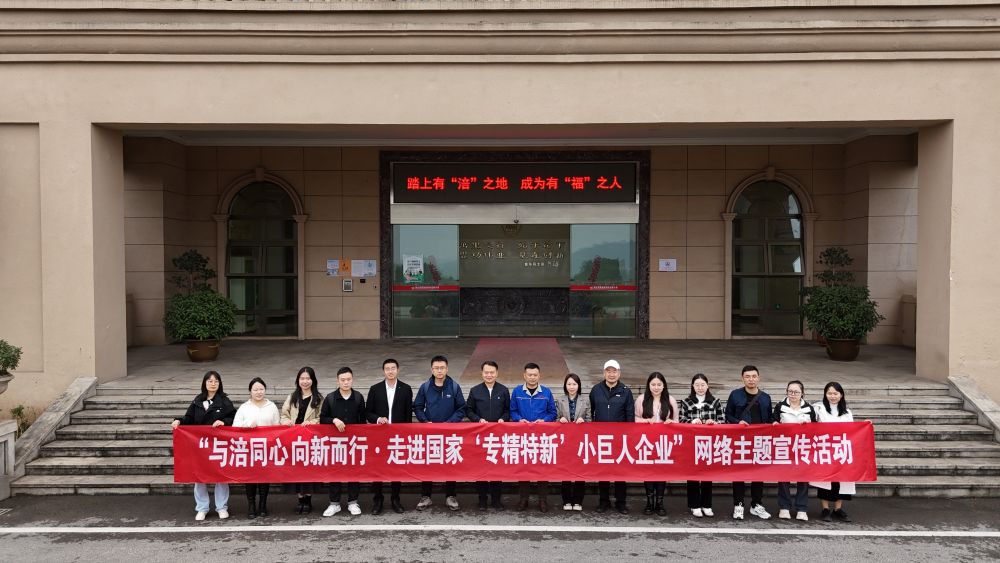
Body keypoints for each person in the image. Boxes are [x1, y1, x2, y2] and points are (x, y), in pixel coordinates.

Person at [172, 370, 236, 521]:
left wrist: (224, 422)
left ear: (220, 384)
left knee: (221, 476)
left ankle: (222, 507)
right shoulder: (197, 401)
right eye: (210, 381)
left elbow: (234, 417)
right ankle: (202, 508)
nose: (213, 384)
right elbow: (189, 418)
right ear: (204, 383)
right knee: (199, 476)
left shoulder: (225, 401)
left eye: (216, 381)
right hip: (200, 445)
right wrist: (179, 421)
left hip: (218, 444)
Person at [413, 355, 466, 511]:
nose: (439, 370)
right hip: (430, 433)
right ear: (432, 370)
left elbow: (461, 408)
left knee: (450, 463)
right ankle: (426, 496)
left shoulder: (454, 387)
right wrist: (425, 421)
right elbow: (417, 406)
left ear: (447, 369)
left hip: (449, 433)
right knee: (428, 464)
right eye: (436, 368)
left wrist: (450, 423)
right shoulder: (425, 387)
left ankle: (450, 496)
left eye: (442, 368)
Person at [724, 364, 773, 520]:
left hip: (760, 441)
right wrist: (737, 422)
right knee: (739, 473)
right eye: (747, 376)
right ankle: (738, 504)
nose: (751, 379)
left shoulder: (765, 397)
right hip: (740, 441)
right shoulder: (735, 395)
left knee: (758, 474)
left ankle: (756, 504)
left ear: (758, 378)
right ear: (742, 378)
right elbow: (728, 415)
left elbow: (769, 418)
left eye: (754, 376)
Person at [366, 358, 413, 515]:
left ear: (398, 370)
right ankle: (377, 500)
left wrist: (406, 436)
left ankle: (395, 499)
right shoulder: (375, 389)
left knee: (396, 469)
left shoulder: (405, 389)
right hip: (379, 436)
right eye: (387, 369)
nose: (390, 371)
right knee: (377, 469)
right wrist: (378, 419)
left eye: (393, 368)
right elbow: (368, 413)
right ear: (383, 371)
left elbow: (408, 415)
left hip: (398, 437)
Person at [510, 362, 558, 512]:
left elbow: (553, 413)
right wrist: (519, 419)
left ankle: (542, 500)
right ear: (524, 375)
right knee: (524, 468)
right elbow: (512, 411)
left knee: (542, 468)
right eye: (529, 375)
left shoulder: (546, 392)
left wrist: (544, 420)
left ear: (539, 376)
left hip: (541, 437)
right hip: (523, 436)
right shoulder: (517, 391)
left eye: (535, 375)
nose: (532, 377)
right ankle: (523, 499)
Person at [319, 367, 367, 517]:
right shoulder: (330, 398)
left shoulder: (358, 397)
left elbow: (363, 421)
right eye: (343, 380)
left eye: (348, 379)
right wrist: (333, 420)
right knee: (335, 472)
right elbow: (322, 418)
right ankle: (334, 503)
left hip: (353, 443)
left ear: (352, 380)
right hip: (335, 444)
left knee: (354, 472)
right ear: (337, 381)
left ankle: (353, 502)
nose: (346, 382)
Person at [590, 359, 635, 514]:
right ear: (604, 373)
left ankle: (621, 502)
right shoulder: (596, 390)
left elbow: (630, 415)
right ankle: (604, 501)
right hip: (601, 438)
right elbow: (591, 412)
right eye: (608, 371)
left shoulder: (626, 391)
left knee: (620, 471)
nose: (611, 374)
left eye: (614, 371)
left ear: (619, 373)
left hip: (620, 439)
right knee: (603, 471)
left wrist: (629, 436)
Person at [465, 360, 511, 511]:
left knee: (497, 468)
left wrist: (503, 419)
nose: (489, 375)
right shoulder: (475, 391)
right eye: (486, 372)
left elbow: (508, 410)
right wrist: (478, 420)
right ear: (482, 373)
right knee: (481, 468)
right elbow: (468, 410)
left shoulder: (503, 390)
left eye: (492, 372)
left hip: (498, 436)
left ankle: (496, 500)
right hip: (481, 436)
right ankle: (482, 500)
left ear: (497, 373)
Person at [233, 377, 281, 519]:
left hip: (266, 448)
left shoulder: (271, 406)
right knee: (251, 478)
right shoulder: (244, 407)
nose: (259, 392)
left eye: (261, 389)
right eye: (255, 390)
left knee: (265, 478)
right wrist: (247, 424)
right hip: (249, 449)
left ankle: (263, 504)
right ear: (250, 391)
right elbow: (235, 426)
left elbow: (277, 426)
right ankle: (251, 505)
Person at [678, 373, 724, 518]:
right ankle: (694, 505)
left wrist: (714, 423)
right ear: (692, 386)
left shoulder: (715, 402)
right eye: (697, 385)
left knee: (707, 475)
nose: (700, 388)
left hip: (709, 443)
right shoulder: (686, 402)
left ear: (707, 386)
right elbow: (680, 420)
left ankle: (706, 504)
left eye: (703, 385)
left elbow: (723, 421)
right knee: (692, 475)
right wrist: (692, 422)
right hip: (691, 443)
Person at [810, 381, 856, 523]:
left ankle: (838, 509)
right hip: (825, 449)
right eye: (829, 393)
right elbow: (812, 426)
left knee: (841, 480)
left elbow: (853, 431)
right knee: (826, 481)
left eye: (835, 393)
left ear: (841, 395)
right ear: (825, 394)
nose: (832, 396)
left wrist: (866, 425)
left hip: (841, 450)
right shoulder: (818, 409)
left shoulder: (847, 412)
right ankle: (825, 509)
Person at [280, 366, 323, 514]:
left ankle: (308, 500)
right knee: (296, 470)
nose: (305, 381)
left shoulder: (318, 398)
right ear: (298, 380)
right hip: (294, 440)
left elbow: (322, 418)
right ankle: (300, 499)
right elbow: (284, 415)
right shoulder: (292, 397)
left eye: (308, 378)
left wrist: (312, 422)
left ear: (313, 380)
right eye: (302, 378)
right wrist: (286, 421)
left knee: (308, 471)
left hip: (310, 440)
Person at [635, 371, 679, 516]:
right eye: (653, 384)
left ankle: (659, 503)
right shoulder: (641, 399)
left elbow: (677, 421)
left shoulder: (670, 400)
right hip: (646, 442)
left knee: (661, 472)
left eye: (659, 384)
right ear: (648, 385)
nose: (656, 387)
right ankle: (649, 502)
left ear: (664, 385)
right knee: (648, 472)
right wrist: (644, 421)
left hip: (664, 443)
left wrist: (671, 422)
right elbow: (634, 418)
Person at [772, 380, 816, 521]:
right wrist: (775, 424)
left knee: (803, 478)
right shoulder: (780, 406)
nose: (792, 394)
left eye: (796, 392)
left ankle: (801, 508)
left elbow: (816, 428)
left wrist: (808, 425)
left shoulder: (809, 408)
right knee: (783, 477)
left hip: (803, 447)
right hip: (784, 446)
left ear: (802, 393)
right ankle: (784, 507)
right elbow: (773, 422)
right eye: (790, 391)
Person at [555, 373, 589, 511]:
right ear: (565, 386)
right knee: (566, 471)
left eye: (574, 384)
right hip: (565, 441)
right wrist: (560, 420)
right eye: (569, 384)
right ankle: (567, 500)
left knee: (580, 471)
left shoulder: (585, 400)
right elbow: (555, 418)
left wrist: (584, 421)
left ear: (579, 385)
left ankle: (578, 501)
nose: (571, 387)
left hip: (580, 441)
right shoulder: (560, 400)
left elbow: (590, 419)